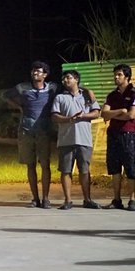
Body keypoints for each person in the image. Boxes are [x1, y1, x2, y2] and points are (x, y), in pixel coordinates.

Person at [3, 61, 59, 208]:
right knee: (30, 165)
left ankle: (46, 198)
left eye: (39, 71)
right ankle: (35, 198)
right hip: (26, 131)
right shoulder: (23, 87)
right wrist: (19, 106)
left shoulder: (52, 88)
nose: (35, 73)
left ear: (45, 75)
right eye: (33, 71)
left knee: (45, 165)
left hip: (44, 131)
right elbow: (6, 96)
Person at [50, 70, 101, 210]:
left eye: (68, 77)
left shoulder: (86, 96)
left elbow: (96, 113)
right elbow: (54, 116)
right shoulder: (60, 97)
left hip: (84, 140)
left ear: (76, 79)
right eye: (64, 78)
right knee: (66, 171)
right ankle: (68, 200)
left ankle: (87, 199)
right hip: (66, 140)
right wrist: (69, 119)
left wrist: (83, 116)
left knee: (84, 171)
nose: (65, 80)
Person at [100, 63, 135, 211]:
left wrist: (113, 115)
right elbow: (104, 114)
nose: (116, 77)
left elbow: (131, 115)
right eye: (115, 74)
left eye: (119, 74)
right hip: (113, 134)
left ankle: (132, 200)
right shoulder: (112, 95)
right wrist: (120, 111)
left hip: (129, 134)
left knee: (131, 168)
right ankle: (116, 199)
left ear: (127, 77)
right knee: (114, 168)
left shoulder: (133, 93)